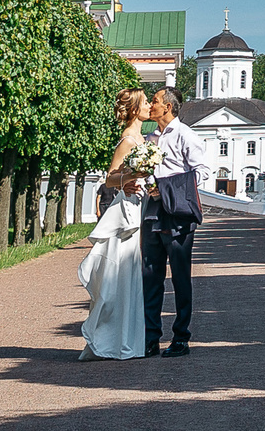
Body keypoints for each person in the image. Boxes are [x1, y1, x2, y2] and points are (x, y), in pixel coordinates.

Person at [77, 90, 150, 360]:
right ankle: (107, 340)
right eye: (144, 103)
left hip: (137, 205)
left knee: (130, 274)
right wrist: (127, 180)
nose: (148, 107)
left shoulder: (142, 138)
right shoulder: (128, 141)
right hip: (125, 211)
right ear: (133, 110)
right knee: (118, 275)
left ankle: (126, 340)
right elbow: (109, 178)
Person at [142, 85, 213, 357]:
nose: (151, 105)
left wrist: (167, 188)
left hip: (178, 215)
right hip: (152, 212)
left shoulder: (186, 135)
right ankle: (151, 337)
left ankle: (181, 337)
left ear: (168, 107)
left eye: (155, 101)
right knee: (151, 276)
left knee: (180, 278)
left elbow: (202, 172)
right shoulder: (150, 139)